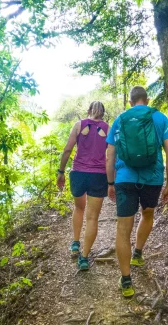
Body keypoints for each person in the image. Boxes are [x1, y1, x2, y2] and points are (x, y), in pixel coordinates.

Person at [106, 86, 168, 298]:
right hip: (152, 179)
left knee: (123, 228)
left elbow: (110, 155)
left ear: (130, 102)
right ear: (147, 99)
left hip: (125, 179)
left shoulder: (120, 119)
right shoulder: (160, 117)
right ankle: (137, 253)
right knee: (147, 214)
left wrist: (110, 183)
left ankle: (126, 281)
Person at [57, 101, 109, 271]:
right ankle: (84, 257)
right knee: (92, 218)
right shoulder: (107, 128)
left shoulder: (79, 125)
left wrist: (61, 172)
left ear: (88, 111)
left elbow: (67, 150)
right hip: (98, 175)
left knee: (79, 208)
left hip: (79, 173)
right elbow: (111, 155)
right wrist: (112, 181)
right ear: (103, 113)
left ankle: (75, 242)